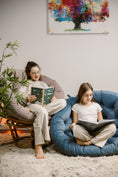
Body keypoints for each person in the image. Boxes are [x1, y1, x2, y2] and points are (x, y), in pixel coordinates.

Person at [19, 61, 66, 159]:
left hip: (44, 106)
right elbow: (19, 97)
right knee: (42, 111)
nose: (36, 75)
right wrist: (27, 98)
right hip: (33, 105)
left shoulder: (43, 84)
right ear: (29, 74)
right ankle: (38, 146)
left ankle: (42, 111)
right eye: (33, 73)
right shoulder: (26, 84)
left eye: (38, 72)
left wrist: (52, 98)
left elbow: (49, 96)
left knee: (63, 102)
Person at [70, 83, 116, 148]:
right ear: (81, 95)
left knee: (113, 127)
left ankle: (89, 142)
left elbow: (101, 121)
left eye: (91, 95)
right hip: (84, 132)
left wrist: (102, 124)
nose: (89, 98)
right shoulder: (76, 106)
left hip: (96, 131)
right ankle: (98, 140)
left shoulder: (96, 106)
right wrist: (73, 125)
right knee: (76, 128)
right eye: (86, 95)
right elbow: (75, 122)